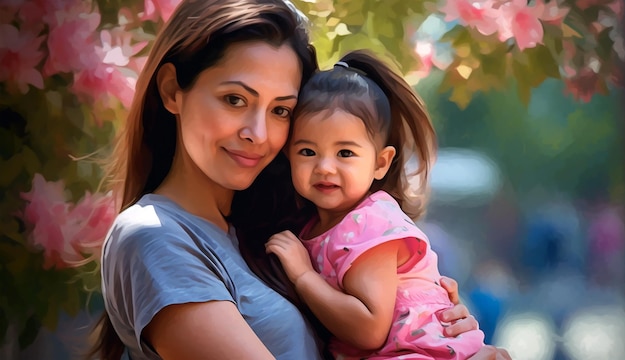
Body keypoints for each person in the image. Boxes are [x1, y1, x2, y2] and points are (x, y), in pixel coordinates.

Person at [87, 0, 510, 359]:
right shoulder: (154, 238)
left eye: (281, 110)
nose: (258, 133)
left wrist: (427, 326)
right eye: (235, 100)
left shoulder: (286, 230)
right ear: (171, 91)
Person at [265, 50, 486, 359]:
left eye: (345, 153)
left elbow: (370, 329)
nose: (325, 167)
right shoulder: (308, 226)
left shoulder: (369, 222)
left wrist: (303, 276)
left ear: (380, 163)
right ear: (288, 155)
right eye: (307, 152)